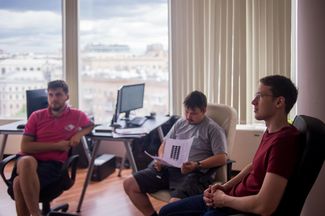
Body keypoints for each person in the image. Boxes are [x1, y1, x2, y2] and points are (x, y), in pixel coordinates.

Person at [159, 75, 300, 216]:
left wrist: (224, 200)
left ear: (279, 102)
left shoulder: (284, 142)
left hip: (236, 208)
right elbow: (253, 166)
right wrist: (224, 187)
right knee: (165, 211)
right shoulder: (271, 132)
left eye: (260, 96)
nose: (253, 102)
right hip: (230, 198)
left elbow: (264, 207)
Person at [123, 90, 228, 216]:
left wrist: (197, 164)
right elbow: (164, 143)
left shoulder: (213, 129)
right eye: (186, 112)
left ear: (204, 110)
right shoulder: (180, 123)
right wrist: (161, 158)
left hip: (193, 174)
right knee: (129, 184)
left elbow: (222, 158)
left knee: (172, 207)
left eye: (193, 113)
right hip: (169, 168)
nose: (188, 117)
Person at [12, 80, 94, 216]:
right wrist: (56, 146)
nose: (54, 99)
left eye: (58, 95)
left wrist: (78, 135)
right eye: (50, 95)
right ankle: (36, 213)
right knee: (27, 161)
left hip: (53, 164)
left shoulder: (77, 115)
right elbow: (25, 146)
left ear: (66, 96)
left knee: (18, 182)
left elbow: (90, 125)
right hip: (27, 160)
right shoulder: (36, 116)